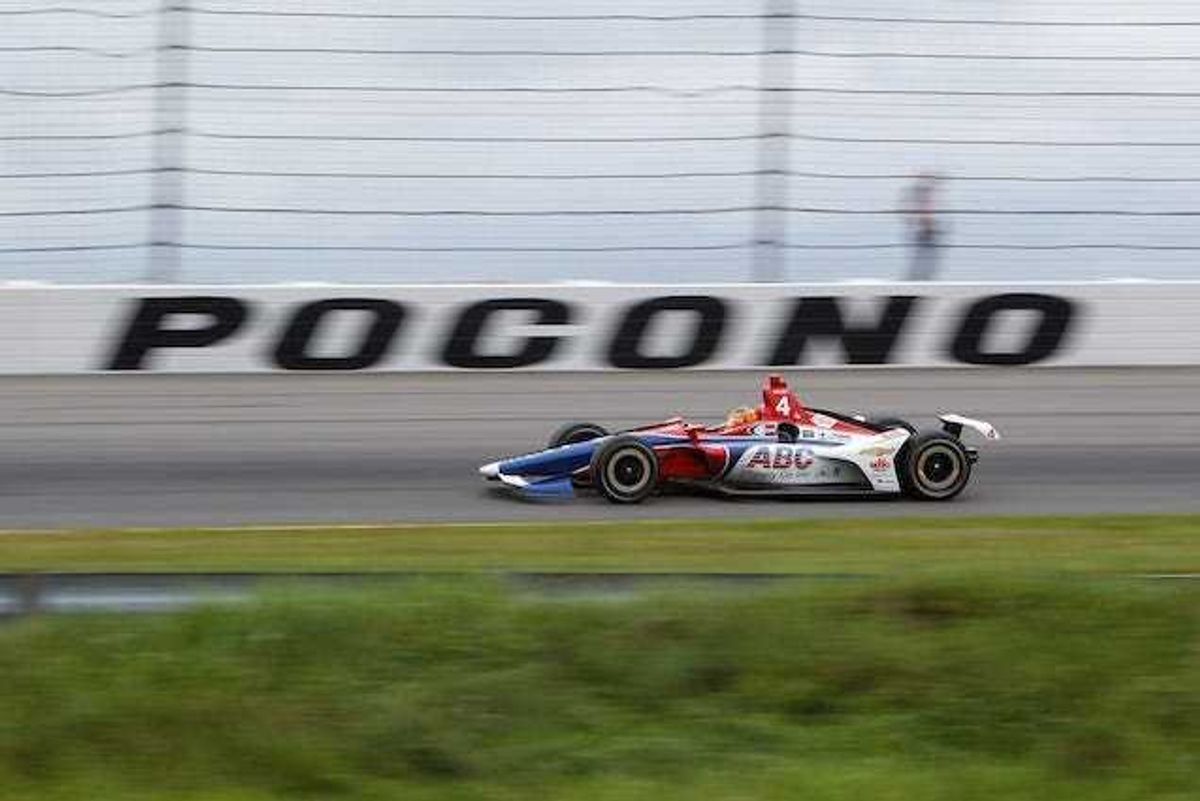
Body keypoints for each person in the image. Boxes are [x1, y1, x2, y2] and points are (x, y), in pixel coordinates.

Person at [905, 173, 942, 281]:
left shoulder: (922, 195)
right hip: (925, 230)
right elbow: (925, 212)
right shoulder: (923, 195)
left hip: (925, 229)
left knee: (923, 258)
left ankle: (918, 279)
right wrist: (928, 226)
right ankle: (918, 280)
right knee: (925, 258)